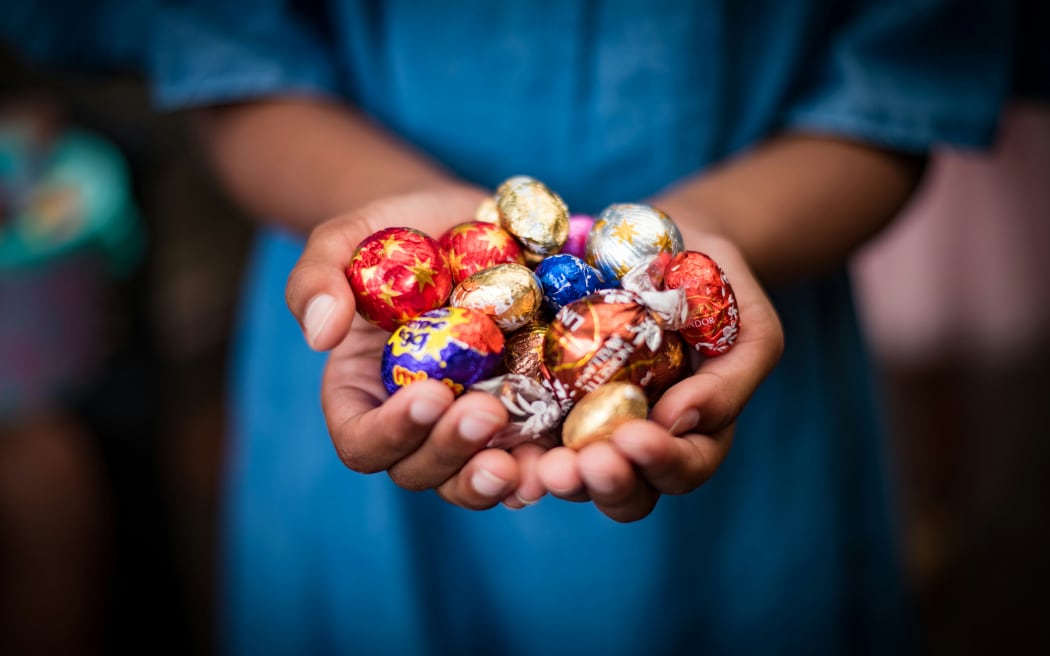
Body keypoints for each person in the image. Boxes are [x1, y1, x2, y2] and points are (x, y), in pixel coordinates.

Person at [152, 1, 1009, 654]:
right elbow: (232, 60)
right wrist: (445, 255)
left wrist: (703, 233)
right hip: (369, 399)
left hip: (761, 375)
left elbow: (898, 91)